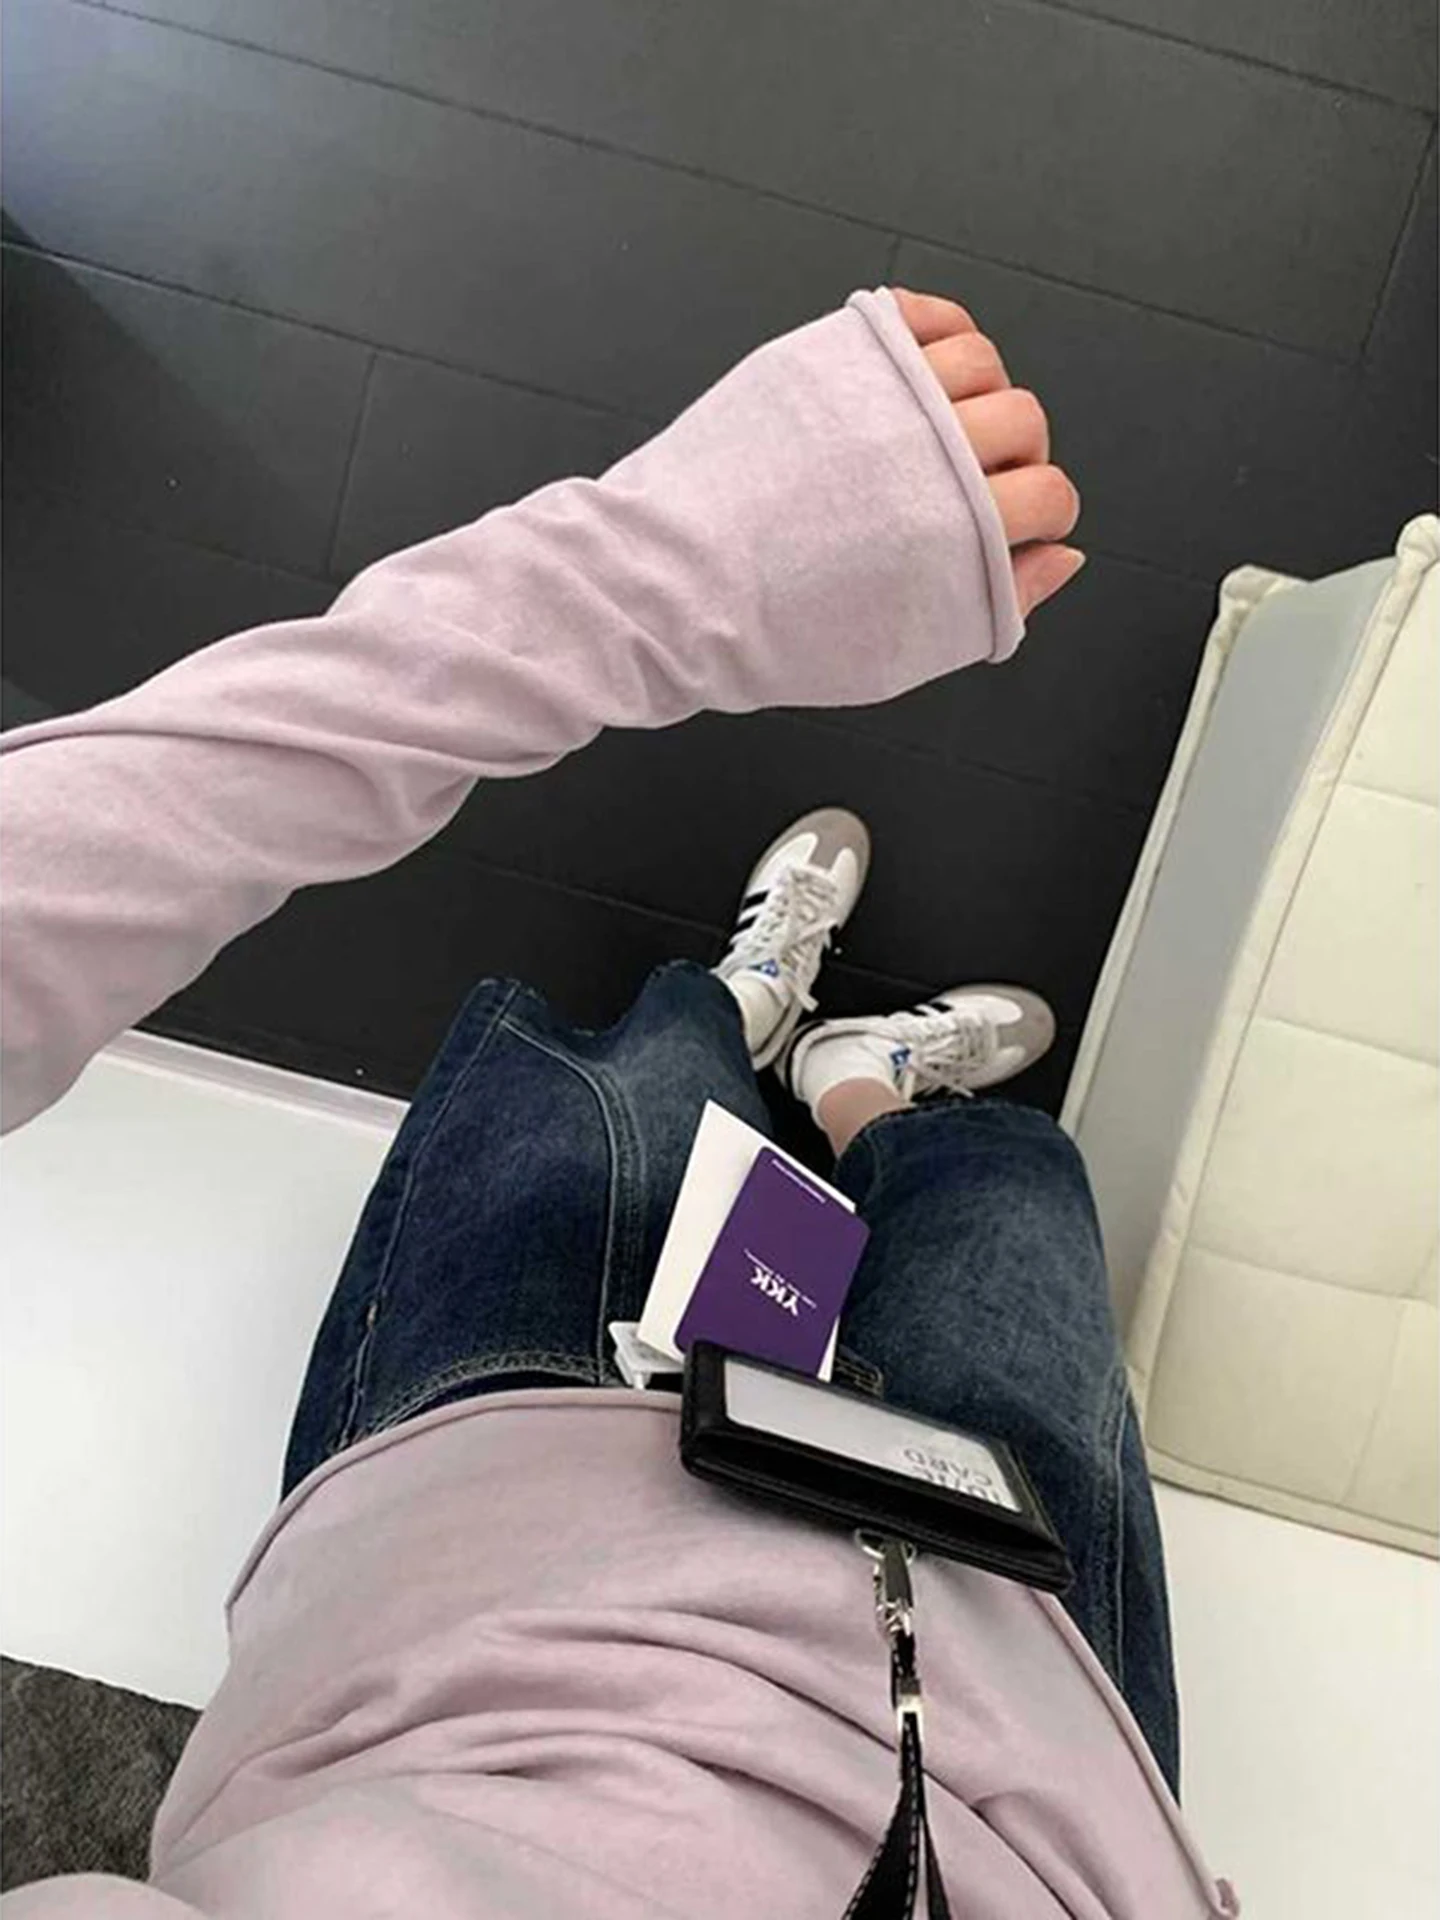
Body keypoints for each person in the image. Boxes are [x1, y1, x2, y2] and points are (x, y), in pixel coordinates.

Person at [0, 288, 1233, 1915]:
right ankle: (865, 1090)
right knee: (1017, 1191)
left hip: (480, 1581)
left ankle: (744, 1000)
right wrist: (654, 577)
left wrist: (653, 582)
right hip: (1031, 1730)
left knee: (632, 1078)